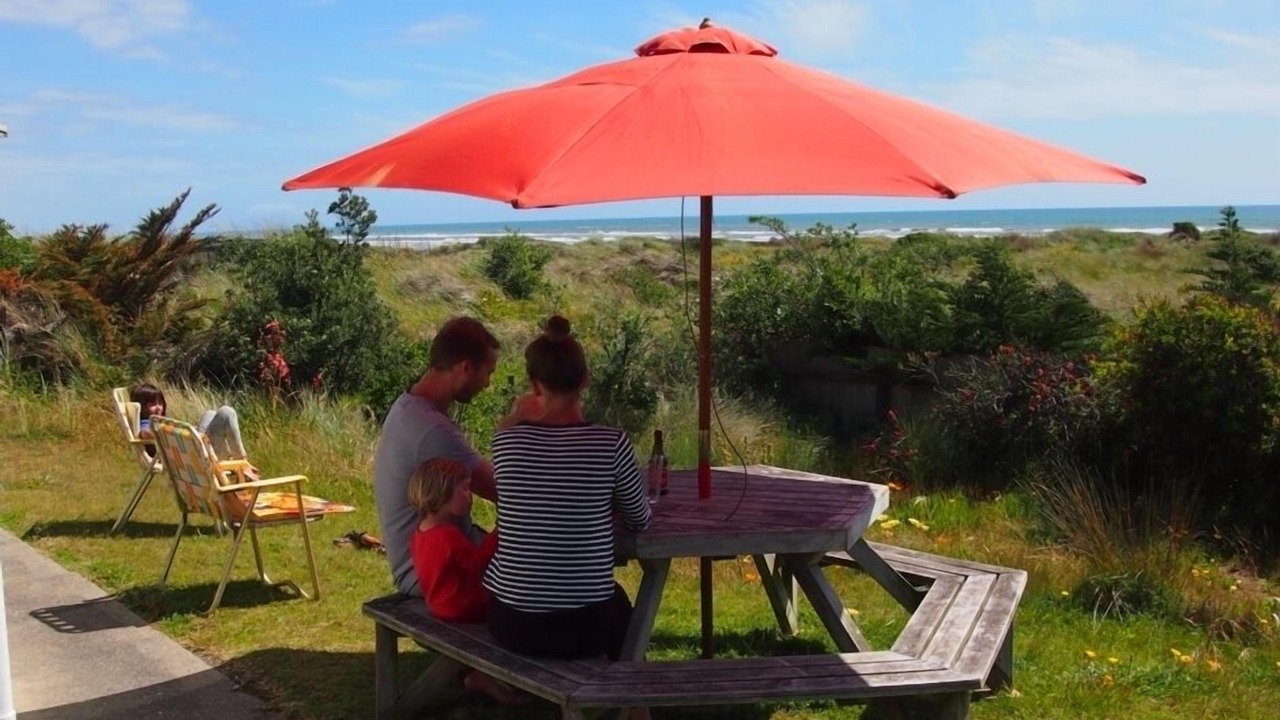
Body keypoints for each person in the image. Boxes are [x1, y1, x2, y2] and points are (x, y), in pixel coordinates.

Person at [484, 315, 652, 663]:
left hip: (512, 620)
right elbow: (639, 518)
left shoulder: (506, 442)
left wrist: (514, 416)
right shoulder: (611, 443)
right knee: (621, 608)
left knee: (608, 606)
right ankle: (636, 711)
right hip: (584, 626)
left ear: (534, 384)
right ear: (586, 380)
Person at [373, 316, 501, 597]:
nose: (488, 384)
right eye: (488, 373)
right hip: (433, 574)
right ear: (465, 368)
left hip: (431, 560)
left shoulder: (408, 406)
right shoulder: (430, 430)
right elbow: (501, 490)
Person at [407, 457, 525, 706]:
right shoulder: (449, 536)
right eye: (464, 488)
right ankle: (512, 675)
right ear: (442, 492)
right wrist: (500, 532)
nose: (469, 495)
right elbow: (478, 562)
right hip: (464, 607)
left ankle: (480, 677)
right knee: (515, 606)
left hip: (438, 605)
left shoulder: (420, 532)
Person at [130, 382, 256, 477]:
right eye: (153, 404)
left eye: (160, 403)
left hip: (195, 451)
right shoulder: (148, 423)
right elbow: (144, 433)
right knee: (226, 413)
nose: (159, 408)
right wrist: (168, 433)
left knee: (210, 413)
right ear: (142, 408)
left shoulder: (157, 421)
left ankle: (238, 461)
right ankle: (242, 463)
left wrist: (187, 432)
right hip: (197, 459)